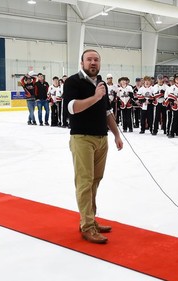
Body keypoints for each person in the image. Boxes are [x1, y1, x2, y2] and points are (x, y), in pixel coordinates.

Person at [63, 49, 123, 244]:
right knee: (84, 182)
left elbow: (106, 112)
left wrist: (116, 134)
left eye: (96, 60)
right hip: (82, 138)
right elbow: (71, 108)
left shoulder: (101, 84)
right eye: (89, 59)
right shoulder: (73, 82)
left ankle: (90, 219)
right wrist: (96, 97)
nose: (93, 62)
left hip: (101, 139)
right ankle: (87, 226)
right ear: (82, 63)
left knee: (95, 180)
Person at [166, 73, 178, 138]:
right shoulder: (172, 87)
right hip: (175, 105)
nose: (177, 79)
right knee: (174, 119)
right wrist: (177, 103)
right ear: (174, 80)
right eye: (176, 79)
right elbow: (170, 97)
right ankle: (171, 132)